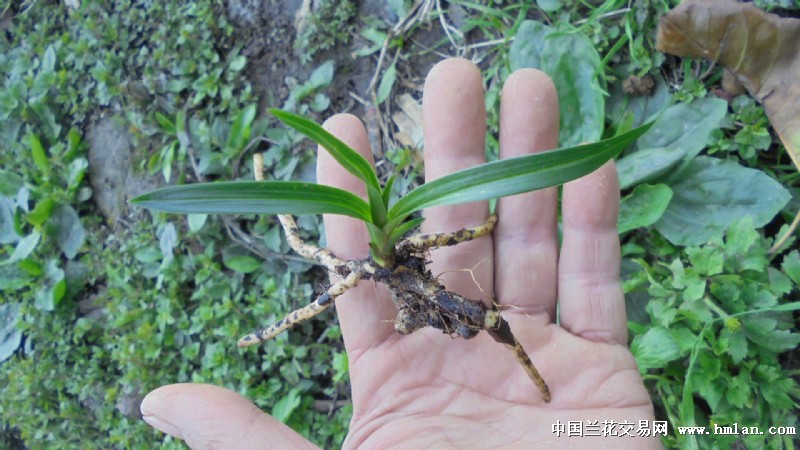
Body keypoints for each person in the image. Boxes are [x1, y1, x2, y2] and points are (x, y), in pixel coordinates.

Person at [140, 58, 660, 449]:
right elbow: (320, 282)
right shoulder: (369, 269)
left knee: (480, 316)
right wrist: (275, 326)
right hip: (394, 274)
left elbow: (439, 241)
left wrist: (478, 228)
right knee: (312, 250)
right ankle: (263, 185)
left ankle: (536, 375)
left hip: (411, 272)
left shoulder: (413, 262)